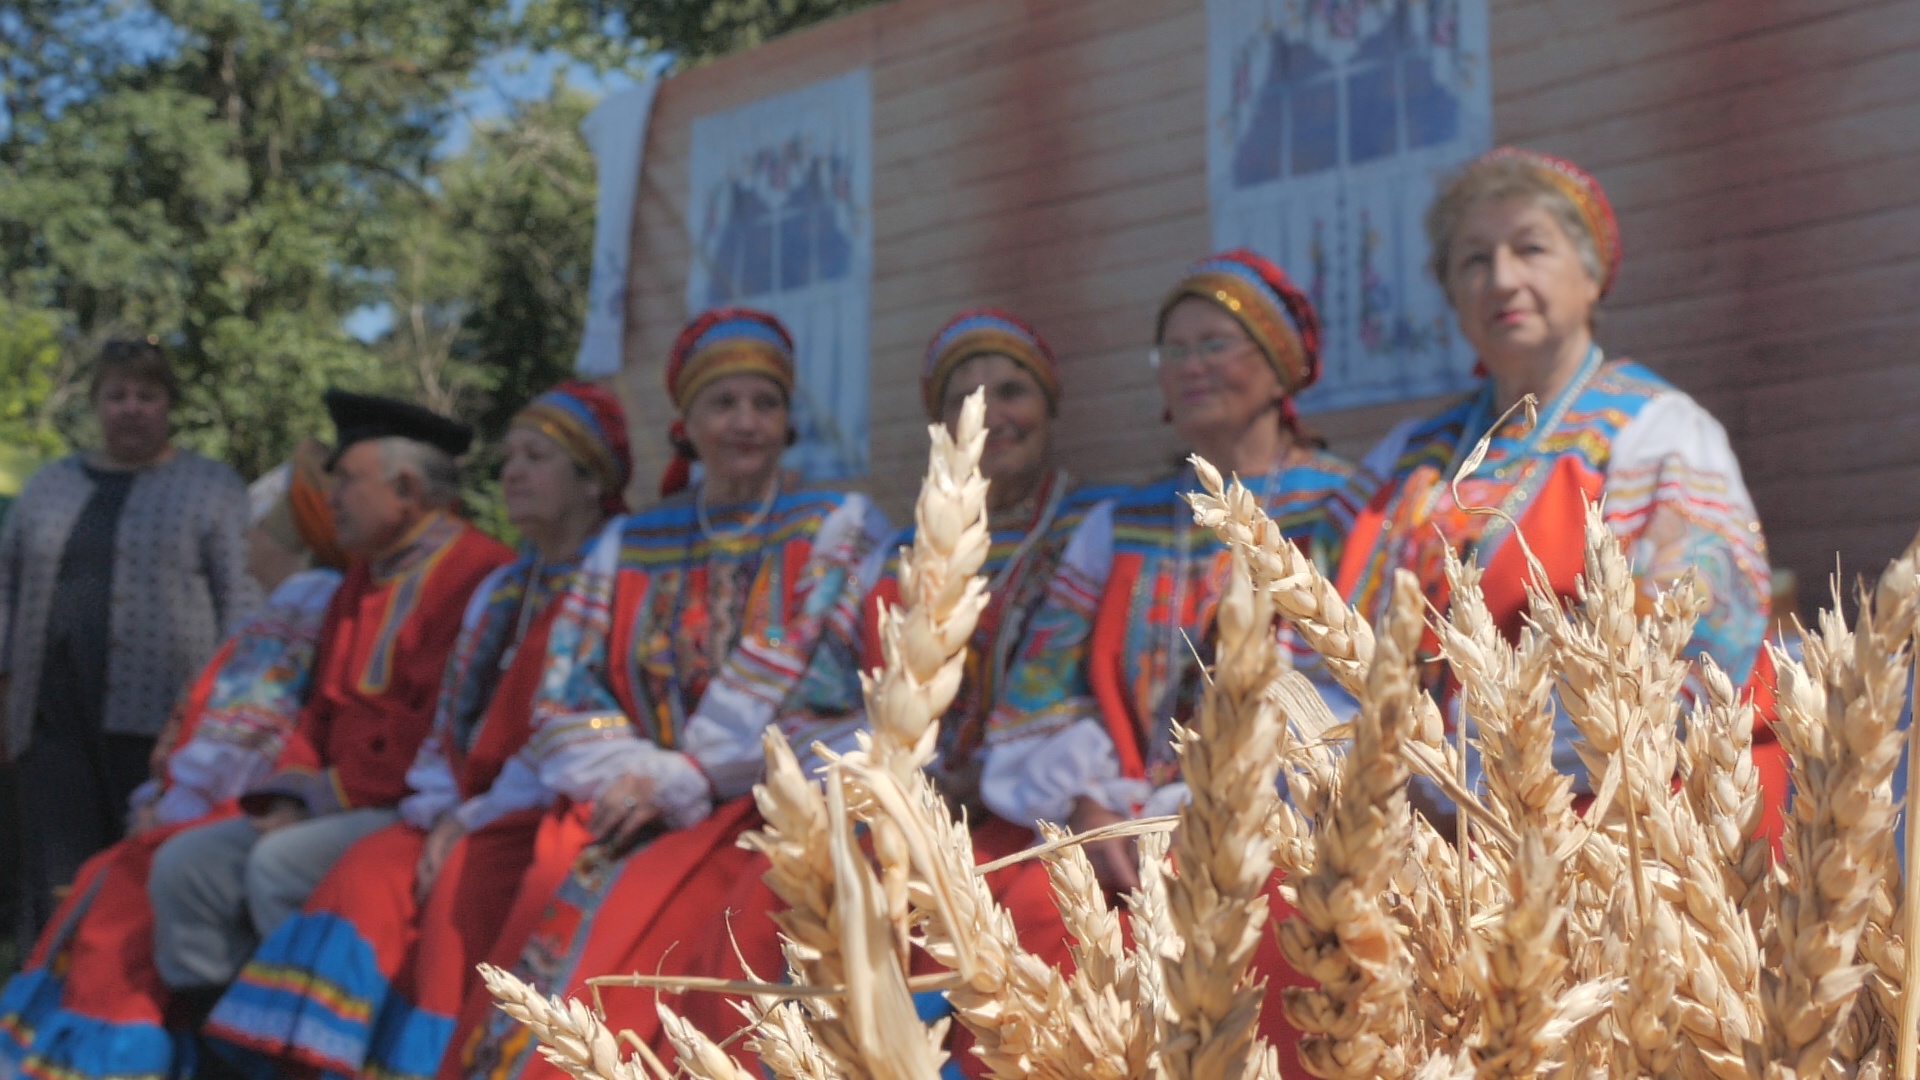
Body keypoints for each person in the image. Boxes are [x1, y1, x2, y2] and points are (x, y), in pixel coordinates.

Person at [437, 308, 887, 1080]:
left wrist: (696, 774)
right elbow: (566, 691)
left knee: (729, 907)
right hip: (634, 788)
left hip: (773, 796)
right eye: (723, 404)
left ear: (787, 420)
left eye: (764, 403)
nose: (745, 422)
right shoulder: (631, 543)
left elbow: (840, 692)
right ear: (688, 423)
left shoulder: (835, 526)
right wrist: (636, 766)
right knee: (549, 869)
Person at [670, 310, 1121, 1058]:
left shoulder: (1099, 529)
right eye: (963, 398)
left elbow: (1113, 686)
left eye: (1012, 391)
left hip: (1033, 810)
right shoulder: (897, 555)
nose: (990, 414)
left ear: (1050, 406)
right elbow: (830, 692)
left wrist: (1012, 777)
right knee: (791, 891)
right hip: (907, 804)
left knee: (1019, 920)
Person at [979, 249, 1353, 1079]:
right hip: (1120, 831)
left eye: (1216, 344)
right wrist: (1082, 799)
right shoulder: (1123, 522)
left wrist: (1221, 801)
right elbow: (1044, 690)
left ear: (1279, 361)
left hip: (1278, 825)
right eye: (1174, 351)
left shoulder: (1340, 507)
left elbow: (1354, 692)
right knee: (1037, 922)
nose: (1191, 367)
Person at [202, 382, 632, 1080]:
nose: (511, 473)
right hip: (451, 803)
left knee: (370, 875)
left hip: (564, 797)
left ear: (592, 481)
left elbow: (605, 715)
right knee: (306, 869)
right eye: (511, 456)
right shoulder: (505, 586)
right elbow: (407, 719)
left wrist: (463, 812)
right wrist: (416, 801)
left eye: (535, 457)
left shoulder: (600, 575)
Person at [1332, 148, 1771, 799]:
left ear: (1592, 278)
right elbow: (1325, 639)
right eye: (1475, 260)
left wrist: (1508, 778)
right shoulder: (1407, 457)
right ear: (1451, 293)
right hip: (1412, 830)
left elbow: (1699, 645)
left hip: (1599, 821)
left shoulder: (1657, 433)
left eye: (1530, 249)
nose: (1502, 279)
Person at [146, 391, 514, 1055]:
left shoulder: (477, 572)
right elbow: (316, 709)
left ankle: (321, 1055)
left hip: (407, 805)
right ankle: (224, 1055)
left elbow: (435, 729)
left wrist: (315, 802)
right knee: (185, 867)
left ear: (406, 489)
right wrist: (292, 790)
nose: (331, 498)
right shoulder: (359, 579)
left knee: (278, 864)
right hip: (324, 800)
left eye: (346, 481)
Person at [0, 445, 345, 1080]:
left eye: (257, 530)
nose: (244, 543)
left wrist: (173, 801)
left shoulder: (303, 605)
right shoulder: (291, 606)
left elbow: (252, 732)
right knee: (110, 874)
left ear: (289, 538)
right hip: (209, 798)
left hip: (232, 803)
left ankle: (122, 1057)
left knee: (124, 889)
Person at [0, 339, 258, 942]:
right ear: (96, 405)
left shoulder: (211, 487)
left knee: (139, 866)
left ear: (169, 405)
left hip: (161, 723)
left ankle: (127, 1012)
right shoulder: (50, 485)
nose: (131, 408)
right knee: (57, 872)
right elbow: (5, 586)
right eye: (116, 395)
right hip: (51, 716)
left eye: (148, 395)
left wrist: (232, 714)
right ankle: (45, 1002)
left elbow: (244, 602)